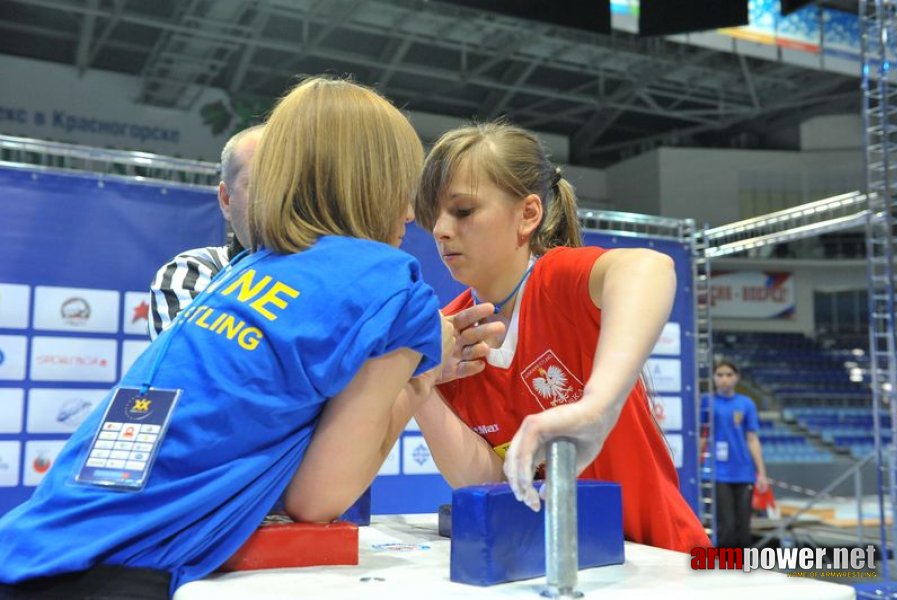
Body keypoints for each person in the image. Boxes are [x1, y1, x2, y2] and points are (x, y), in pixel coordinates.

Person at [0, 77, 454, 600]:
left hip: (37, 541)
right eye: (404, 186)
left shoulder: (244, 271)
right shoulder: (392, 286)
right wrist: (422, 377)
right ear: (374, 183)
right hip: (121, 569)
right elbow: (318, 499)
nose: (411, 214)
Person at [412, 121, 710, 553]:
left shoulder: (558, 281)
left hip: (663, 559)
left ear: (528, 214)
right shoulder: (450, 333)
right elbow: (493, 482)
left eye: (462, 211)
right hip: (560, 567)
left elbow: (650, 268)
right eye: (432, 215)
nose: (440, 229)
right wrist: (422, 382)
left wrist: (596, 407)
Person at [148, 124, 262, 340]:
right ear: (226, 200)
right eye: (259, 187)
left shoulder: (325, 271)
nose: (276, 200)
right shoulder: (193, 272)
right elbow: (197, 367)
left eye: (289, 186)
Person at [703, 360, 768, 548]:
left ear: (737, 378)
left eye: (729, 375)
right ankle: (724, 570)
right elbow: (701, 435)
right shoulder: (707, 402)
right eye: (720, 375)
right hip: (719, 473)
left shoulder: (746, 404)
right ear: (714, 378)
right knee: (726, 526)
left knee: (744, 528)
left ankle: (743, 571)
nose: (724, 379)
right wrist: (696, 467)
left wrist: (761, 473)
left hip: (745, 472)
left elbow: (752, 439)